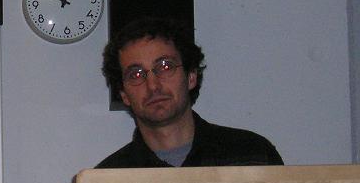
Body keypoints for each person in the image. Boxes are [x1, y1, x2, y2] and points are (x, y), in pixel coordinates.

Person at [96, 16, 283, 168]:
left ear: (191, 76)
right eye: (136, 74)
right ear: (124, 94)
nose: (153, 85)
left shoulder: (253, 156)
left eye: (165, 67)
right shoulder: (107, 180)